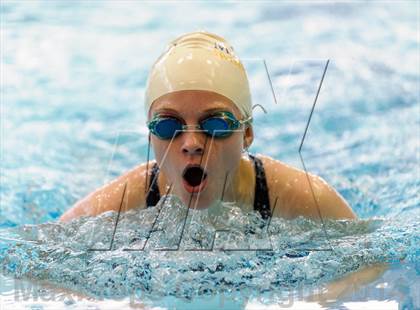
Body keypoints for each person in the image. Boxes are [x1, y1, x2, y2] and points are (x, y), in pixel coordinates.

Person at [59, 31, 356, 223]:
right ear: (151, 137)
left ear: (248, 133)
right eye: (167, 126)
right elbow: (35, 263)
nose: (191, 142)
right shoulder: (124, 201)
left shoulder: (300, 197)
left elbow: (372, 267)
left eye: (215, 124)